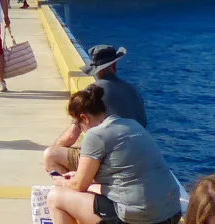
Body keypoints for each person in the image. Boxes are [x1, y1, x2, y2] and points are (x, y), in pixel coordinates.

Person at [47, 85, 181, 224]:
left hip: (139, 219)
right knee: (92, 189)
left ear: (84, 118)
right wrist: (77, 176)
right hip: (172, 213)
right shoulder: (131, 124)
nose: (81, 131)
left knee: (55, 197)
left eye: (79, 126)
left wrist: (62, 182)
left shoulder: (96, 135)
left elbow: (79, 186)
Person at [44, 44, 148, 175]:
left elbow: (71, 135)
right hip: (140, 155)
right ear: (114, 66)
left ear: (95, 70)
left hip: (113, 161)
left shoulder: (93, 93)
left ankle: (71, 188)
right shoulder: (133, 91)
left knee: (50, 156)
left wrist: (55, 149)